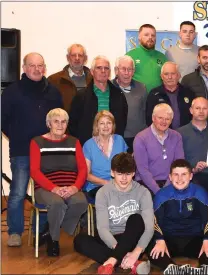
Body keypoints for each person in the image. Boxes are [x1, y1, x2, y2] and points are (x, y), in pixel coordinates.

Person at [2, 52, 63, 247]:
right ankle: (15, 232)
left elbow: (60, 119)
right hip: (22, 152)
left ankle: (40, 232)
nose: (37, 69)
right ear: (24, 67)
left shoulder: (53, 92)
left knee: (45, 192)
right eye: (32, 65)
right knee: (18, 193)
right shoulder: (11, 92)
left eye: (40, 66)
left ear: (44, 68)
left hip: (48, 152)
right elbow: (3, 121)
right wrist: (18, 136)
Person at [73, 153, 153, 275]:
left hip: (133, 240)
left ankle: (111, 263)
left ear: (133, 173)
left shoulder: (143, 192)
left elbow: (149, 228)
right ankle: (131, 263)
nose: (124, 179)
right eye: (120, 174)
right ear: (112, 173)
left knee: (136, 219)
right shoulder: (103, 193)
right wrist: (119, 251)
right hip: (112, 241)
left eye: (128, 174)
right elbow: (103, 229)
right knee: (80, 240)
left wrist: (136, 252)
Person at [145, 159, 208, 275]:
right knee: (152, 248)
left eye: (184, 174)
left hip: (194, 238)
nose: (179, 179)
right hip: (169, 239)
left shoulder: (200, 192)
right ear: (170, 177)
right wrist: (160, 239)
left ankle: (204, 269)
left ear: (191, 176)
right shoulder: (161, 195)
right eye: (176, 175)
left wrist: (207, 239)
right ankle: (171, 268)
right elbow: (154, 221)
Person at [30, 108, 88, 256]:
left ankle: (50, 231)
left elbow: (82, 169)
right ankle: (54, 241)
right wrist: (54, 188)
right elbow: (34, 171)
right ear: (49, 124)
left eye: (63, 122)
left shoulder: (74, 142)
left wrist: (75, 187)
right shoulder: (37, 142)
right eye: (56, 121)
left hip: (70, 186)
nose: (60, 125)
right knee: (57, 203)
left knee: (80, 203)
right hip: (45, 188)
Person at [69, 55, 128, 144]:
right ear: (92, 71)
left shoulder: (118, 95)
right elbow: (73, 123)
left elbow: (122, 121)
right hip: (88, 145)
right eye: (99, 68)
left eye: (106, 68)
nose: (103, 71)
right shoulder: (81, 96)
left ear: (110, 72)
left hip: (113, 144)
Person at [134, 104, 184, 194]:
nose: (164, 121)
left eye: (167, 119)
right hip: (146, 183)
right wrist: (158, 191)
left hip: (171, 181)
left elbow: (179, 164)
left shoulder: (177, 136)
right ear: (153, 118)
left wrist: (167, 187)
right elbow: (143, 170)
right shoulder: (140, 138)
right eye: (160, 118)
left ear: (171, 121)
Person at [82, 111, 128, 199]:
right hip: (97, 187)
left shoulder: (120, 140)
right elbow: (86, 175)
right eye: (102, 123)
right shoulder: (89, 145)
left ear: (113, 125)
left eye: (109, 123)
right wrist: (107, 183)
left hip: (120, 185)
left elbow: (126, 167)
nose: (106, 126)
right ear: (97, 126)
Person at [177, 97, 208, 192]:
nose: (201, 111)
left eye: (204, 108)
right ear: (191, 110)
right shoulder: (179, 133)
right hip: (190, 177)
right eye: (197, 108)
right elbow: (177, 160)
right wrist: (193, 169)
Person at [145, 62, 196, 129]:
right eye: (166, 74)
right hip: (163, 135)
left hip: (185, 135)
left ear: (178, 75)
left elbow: (194, 116)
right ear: (161, 76)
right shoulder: (154, 94)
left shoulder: (188, 93)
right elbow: (149, 118)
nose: (170, 77)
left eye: (173, 74)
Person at [112, 55, 147, 152]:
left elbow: (145, 112)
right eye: (123, 69)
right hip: (115, 138)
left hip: (138, 138)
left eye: (130, 69)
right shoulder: (109, 88)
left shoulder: (142, 88)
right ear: (116, 70)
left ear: (133, 71)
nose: (127, 73)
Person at [47, 43, 92, 111]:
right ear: (68, 57)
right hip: (64, 121)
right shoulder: (53, 80)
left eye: (80, 55)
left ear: (85, 58)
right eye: (73, 55)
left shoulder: (93, 79)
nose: (77, 58)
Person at [126, 24, 167, 91]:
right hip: (137, 98)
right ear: (139, 37)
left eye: (153, 35)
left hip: (157, 98)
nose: (150, 37)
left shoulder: (162, 57)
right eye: (146, 35)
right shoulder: (130, 56)